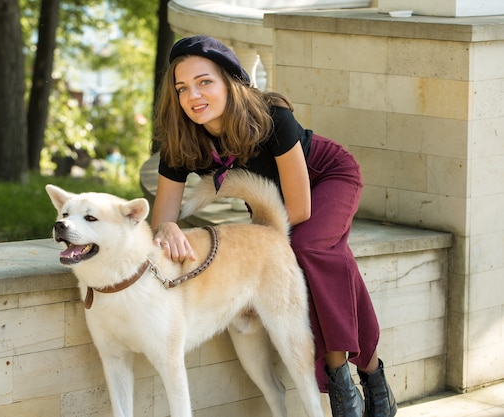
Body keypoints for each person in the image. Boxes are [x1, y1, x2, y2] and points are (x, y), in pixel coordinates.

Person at [150, 35, 397, 417]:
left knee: (309, 248)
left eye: (204, 82)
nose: (192, 96)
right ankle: (373, 374)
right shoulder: (183, 140)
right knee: (327, 258)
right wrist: (167, 228)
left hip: (324, 179)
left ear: (230, 81)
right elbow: (162, 218)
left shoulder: (270, 117)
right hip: (270, 202)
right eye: (182, 88)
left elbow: (298, 209)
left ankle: (340, 372)